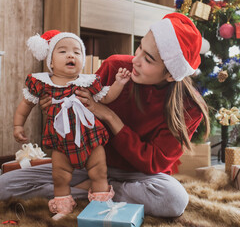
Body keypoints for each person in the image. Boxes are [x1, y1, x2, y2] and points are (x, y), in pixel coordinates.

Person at [1, 13, 209, 218]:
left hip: (139, 176)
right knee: (5, 185)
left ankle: (88, 191)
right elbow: (76, 110)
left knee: (174, 200)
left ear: (171, 73)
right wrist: (56, 108)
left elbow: (154, 163)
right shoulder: (115, 66)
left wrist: (110, 116)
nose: (135, 60)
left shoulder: (189, 108)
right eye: (139, 47)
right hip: (86, 162)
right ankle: (96, 191)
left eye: (148, 59)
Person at [12, 30, 131, 220]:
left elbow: (107, 97)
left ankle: (100, 206)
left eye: (77, 52)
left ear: (82, 61)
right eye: (63, 51)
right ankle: (62, 207)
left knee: (99, 171)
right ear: (50, 61)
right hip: (61, 142)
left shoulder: (88, 82)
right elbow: (25, 105)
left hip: (90, 139)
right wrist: (18, 126)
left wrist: (119, 83)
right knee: (59, 176)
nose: (71, 55)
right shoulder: (42, 83)